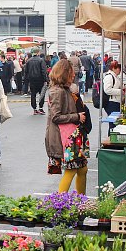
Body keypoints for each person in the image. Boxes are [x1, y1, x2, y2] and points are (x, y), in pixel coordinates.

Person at [45, 60, 88, 194]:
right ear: (64, 73)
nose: (74, 75)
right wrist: (76, 116)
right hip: (66, 138)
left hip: (72, 136)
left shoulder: (64, 89)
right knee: (71, 170)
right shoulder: (58, 92)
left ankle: (80, 201)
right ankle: (60, 204)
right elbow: (56, 117)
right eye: (71, 72)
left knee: (82, 169)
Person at [25, 49, 48, 115]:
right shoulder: (41, 60)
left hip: (32, 80)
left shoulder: (28, 61)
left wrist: (27, 80)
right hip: (40, 79)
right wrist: (46, 80)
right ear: (38, 53)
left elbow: (26, 71)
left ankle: (34, 109)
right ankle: (40, 108)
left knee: (33, 94)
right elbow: (43, 71)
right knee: (42, 94)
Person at [103, 60, 122, 130]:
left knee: (115, 123)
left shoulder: (115, 76)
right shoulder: (109, 77)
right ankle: (110, 137)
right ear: (114, 68)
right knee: (113, 124)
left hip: (116, 101)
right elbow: (107, 90)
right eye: (118, 68)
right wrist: (120, 91)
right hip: (111, 102)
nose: (119, 70)